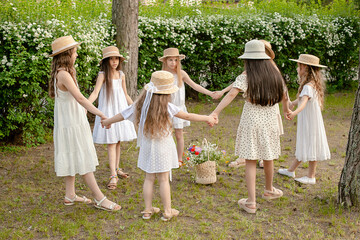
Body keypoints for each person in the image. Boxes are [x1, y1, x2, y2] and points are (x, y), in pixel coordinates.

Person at [102, 71, 216, 220]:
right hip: (163, 147)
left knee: (149, 178)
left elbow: (122, 114)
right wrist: (207, 117)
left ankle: (148, 210)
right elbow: (188, 116)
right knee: (163, 179)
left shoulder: (141, 106)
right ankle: (167, 211)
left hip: (148, 146)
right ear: (167, 93)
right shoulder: (168, 107)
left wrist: (107, 121)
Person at [210, 40, 289, 214]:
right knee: (268, 156)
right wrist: (287, 109)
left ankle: (251, 202)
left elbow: (231, 94)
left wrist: (215, 112)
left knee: (251, 159)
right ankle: (269, 190)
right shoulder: (275, 74)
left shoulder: (246, 77)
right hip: (270, 119)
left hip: (252, 120)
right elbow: (284, 94)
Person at [49, 36, 121, 211]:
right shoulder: (64, 74)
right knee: (82, 159)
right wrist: (100, 113)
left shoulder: (65, 72)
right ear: (67, 54)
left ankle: (70, 195)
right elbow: (80, 98)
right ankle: (100, 198)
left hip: (71, 122)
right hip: (71, 123)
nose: (77, 54)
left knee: (72, 155)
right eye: (75, 52)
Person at [217, 40, 285, 169]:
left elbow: (281, 88)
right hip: (262, 107)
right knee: (257, 135)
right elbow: (239, 83)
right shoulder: (253, 70)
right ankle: (252, 158)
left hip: (267, 106)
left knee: (263, 135)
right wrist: (223, 91)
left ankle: (261, 158)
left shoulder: (271, 69)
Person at [159, 48, 222, 166]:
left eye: (175, 60)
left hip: (179, 108)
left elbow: (195, 86)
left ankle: (179, 159)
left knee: (179, 134)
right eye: (170, 60)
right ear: (165, 61)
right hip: (166, 108)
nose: (173, 63)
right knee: (165, 134)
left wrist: (209, 93)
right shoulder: (163, 75)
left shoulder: (181, 74)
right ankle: (166, 157)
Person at [88, 46, 137, 190]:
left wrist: (135, 107)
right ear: (106, 61)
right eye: (111, 59)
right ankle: (112, 175)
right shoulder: (103, 75)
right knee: (111, 141)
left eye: (116, 59)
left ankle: (116, 169)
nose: (114, 62)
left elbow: (126, 94)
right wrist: (86, 105)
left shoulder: (121, 74)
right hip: (109, 111)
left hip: (120, 111)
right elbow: (96, 92)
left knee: (118, 141)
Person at [278, 54, 331, 184]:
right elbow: (302, 99)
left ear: (305, 68)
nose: (297, 69)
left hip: (309, 122)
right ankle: (291, 170)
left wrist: (294, 112)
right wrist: (292, 103)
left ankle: (311, 176)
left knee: (310, 145)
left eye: (298, 66)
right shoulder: (312, 85)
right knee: (305, 144)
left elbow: (304, 102)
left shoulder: (308, 86)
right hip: (311, 120)